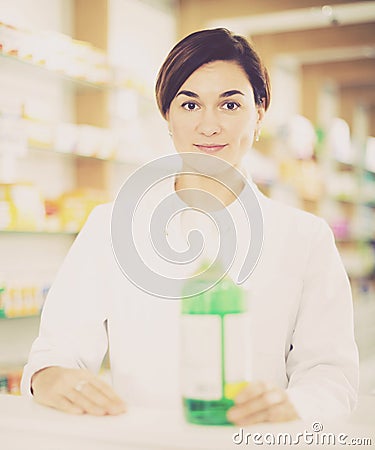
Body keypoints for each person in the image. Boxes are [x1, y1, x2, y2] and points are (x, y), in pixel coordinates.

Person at [21, 28, 358, 425]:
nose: (209, 126)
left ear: (260, 113)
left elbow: (331, 373)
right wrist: (51, 376)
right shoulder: (110, 225)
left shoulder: (305, 237)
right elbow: (58, 350)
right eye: (189, 105)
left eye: (230, 106)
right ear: (166, 115)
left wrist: (297, 404)